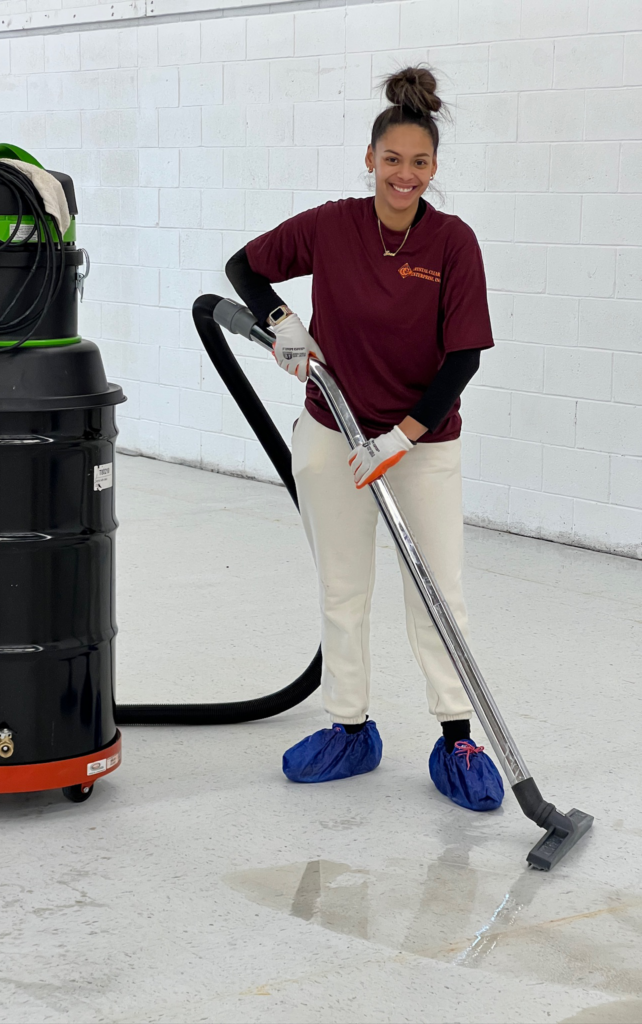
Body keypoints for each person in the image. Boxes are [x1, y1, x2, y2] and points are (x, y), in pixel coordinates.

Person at [225, 67, 504, 812]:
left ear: (434, 168)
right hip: (333, 433)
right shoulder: (332, 225)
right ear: (370, 159)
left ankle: (457, 738)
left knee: (438, 593)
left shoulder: (453, 242)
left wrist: (403, 437)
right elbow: (243, 268)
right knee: (343, 589)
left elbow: (464, 358)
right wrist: (282, 326)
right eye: (392, 160)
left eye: (419, 162)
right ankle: (349, 728)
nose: (404, 175)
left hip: (422, 444)